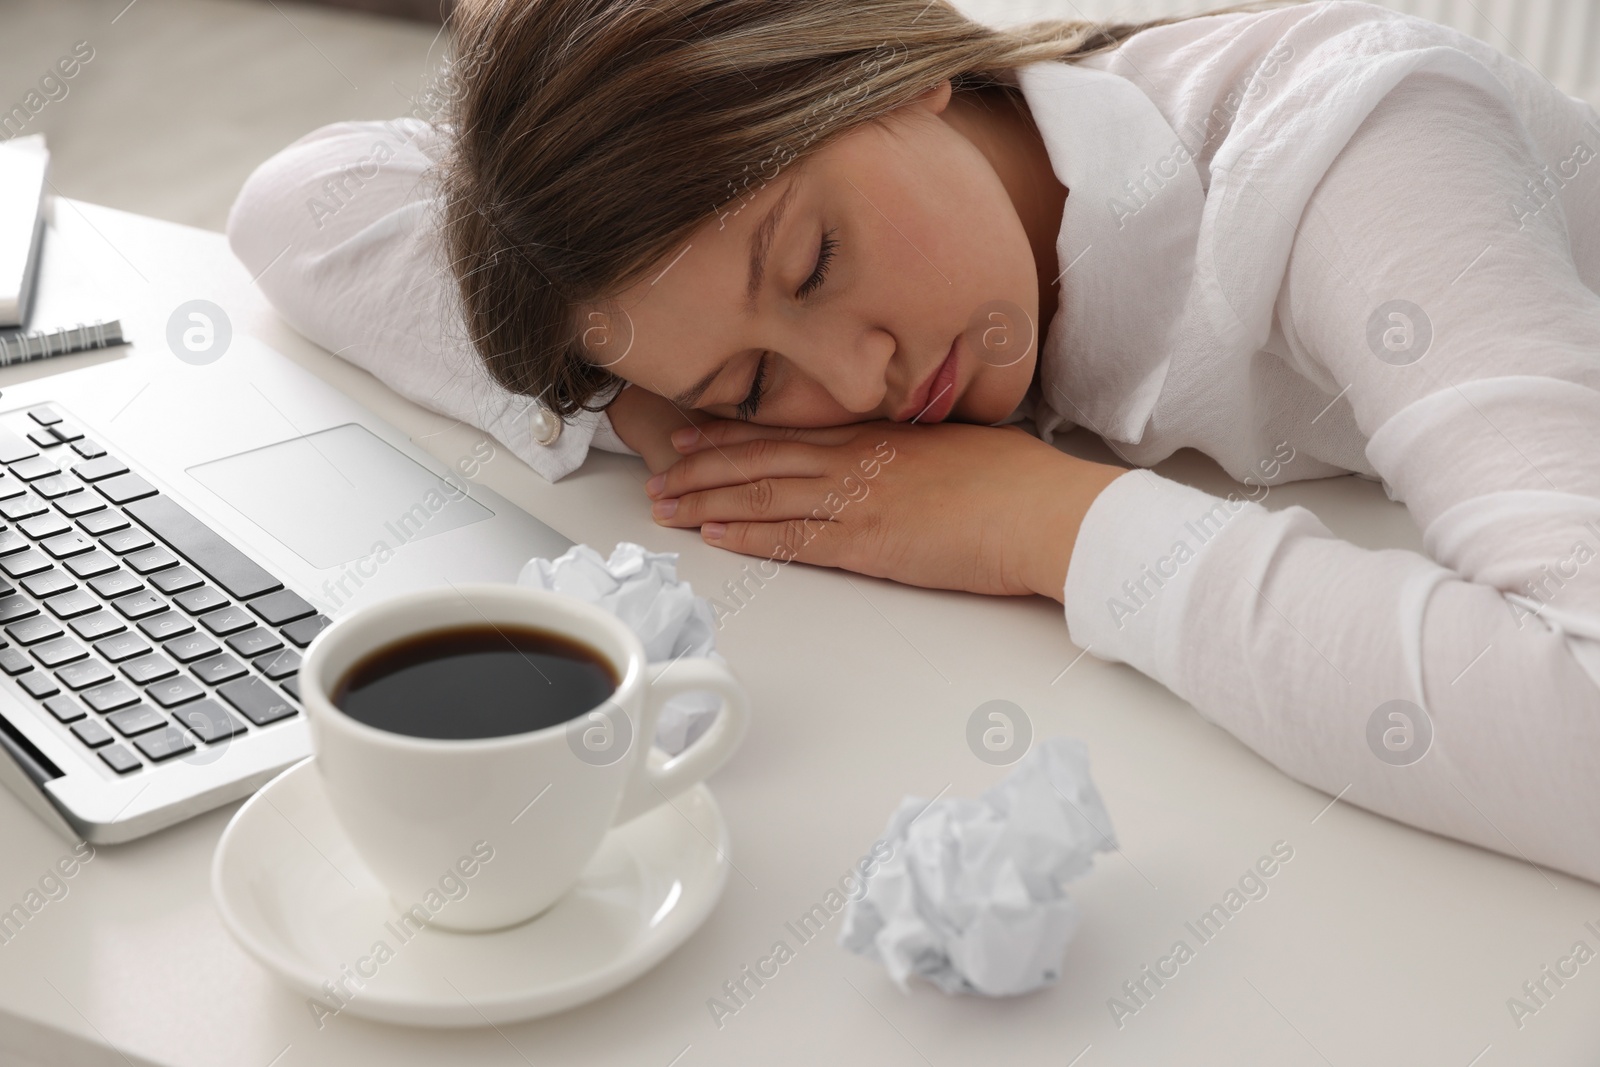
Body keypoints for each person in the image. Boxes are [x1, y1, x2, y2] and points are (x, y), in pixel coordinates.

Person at [228, 0, 1600, 883]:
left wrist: (1048, 525)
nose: (861, 379)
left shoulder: (1350, 152)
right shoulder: (867, 271)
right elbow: (308, 206)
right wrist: (655, 385)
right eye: (754, 383)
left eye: (816, 262)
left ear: (886, 66)